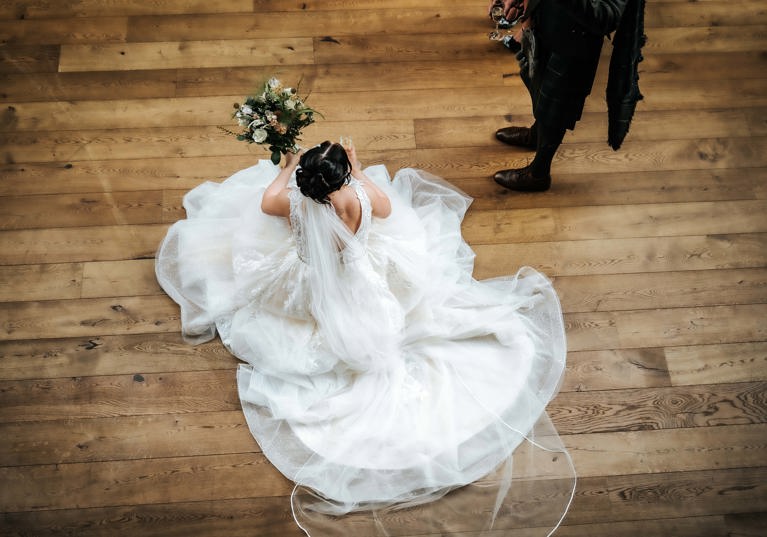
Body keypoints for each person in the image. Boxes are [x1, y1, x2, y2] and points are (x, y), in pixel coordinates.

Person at [155, 142, 574, 535]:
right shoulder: (360, 199)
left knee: (256, 273)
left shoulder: (295, 206)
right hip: (362, 273)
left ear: (308, 182)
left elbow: (267, 202)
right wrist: (358, 172)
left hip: (319, 282)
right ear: (342, 178)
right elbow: (388, 208)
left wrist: (285, 167)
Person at [490, 0, 637, 192]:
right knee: (536, 85)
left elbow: (608, 17)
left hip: (574, 47)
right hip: (545, 26)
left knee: (556, 109)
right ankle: (536, 135)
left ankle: (538, 174)